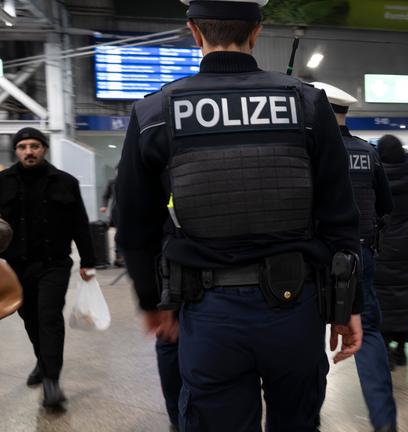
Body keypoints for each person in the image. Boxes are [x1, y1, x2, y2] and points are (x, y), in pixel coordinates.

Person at [115, 1, 363, 430]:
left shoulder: (155, 114)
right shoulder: (306, 104)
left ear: (194, 31)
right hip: (295, 310)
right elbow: (341, 216)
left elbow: (135, 224)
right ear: (257, 31)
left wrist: (150, 300)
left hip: (208, 314)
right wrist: (347, 306)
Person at [312, 82, 397, 432]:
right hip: (361, 253)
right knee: (370, 332)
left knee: (308, 333)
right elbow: (385, 206)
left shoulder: (310, 151)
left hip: (318, 255)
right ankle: (385, 422)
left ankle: (307, 416)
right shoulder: (368, 152)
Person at [0, 127, 96, 408]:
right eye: (23, 147)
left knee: (49, 316)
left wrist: (88, 261)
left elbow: (80, 223)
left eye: (34, 146)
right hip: (17, 265)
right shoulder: (2, 182)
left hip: (54, 264)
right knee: (29, 318)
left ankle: (51, 382)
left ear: (44, 149)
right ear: (16, 151)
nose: (29, 151)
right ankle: (43, 362)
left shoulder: (65, 182)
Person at [374, 134, 408, 368]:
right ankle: (401, 348)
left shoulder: (376, 176)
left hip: (382, 244)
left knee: (383, 295)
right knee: (405, 291)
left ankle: (386, 348)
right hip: (405, 243)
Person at [100, 169, 123, 267]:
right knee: (119, 234)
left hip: (129, 212)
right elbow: (106, 196)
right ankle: (119, 257)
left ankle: (124, 256)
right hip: (117, 212)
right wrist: (104, 206)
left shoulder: (131, 180)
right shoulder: (112, 182)